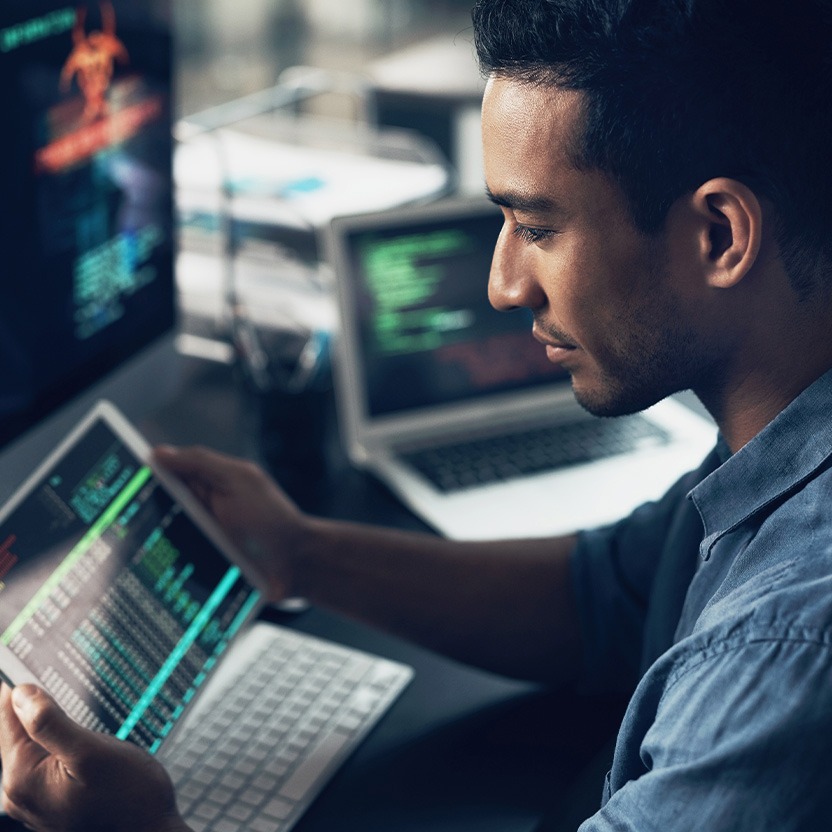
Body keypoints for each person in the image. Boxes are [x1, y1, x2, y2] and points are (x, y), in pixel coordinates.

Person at [3, 0, 832, 828]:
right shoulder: (776, 429)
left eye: (537, 227)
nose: (504, 285)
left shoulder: (782, 653)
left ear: (720, 236)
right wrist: (298, 553)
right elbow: (611, 598)